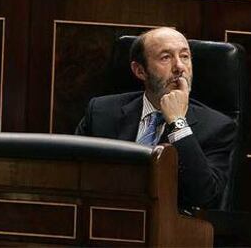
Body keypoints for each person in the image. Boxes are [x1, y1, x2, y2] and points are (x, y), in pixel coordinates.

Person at [75, 27, 236, 209]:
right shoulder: (101, 112)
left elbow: (205, 197)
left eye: (185, 56)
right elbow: (73, 177)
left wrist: (178, 124)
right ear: (140, 71)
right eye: (165, 57)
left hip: (171, 230)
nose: (179, 67)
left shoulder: (217, 127)